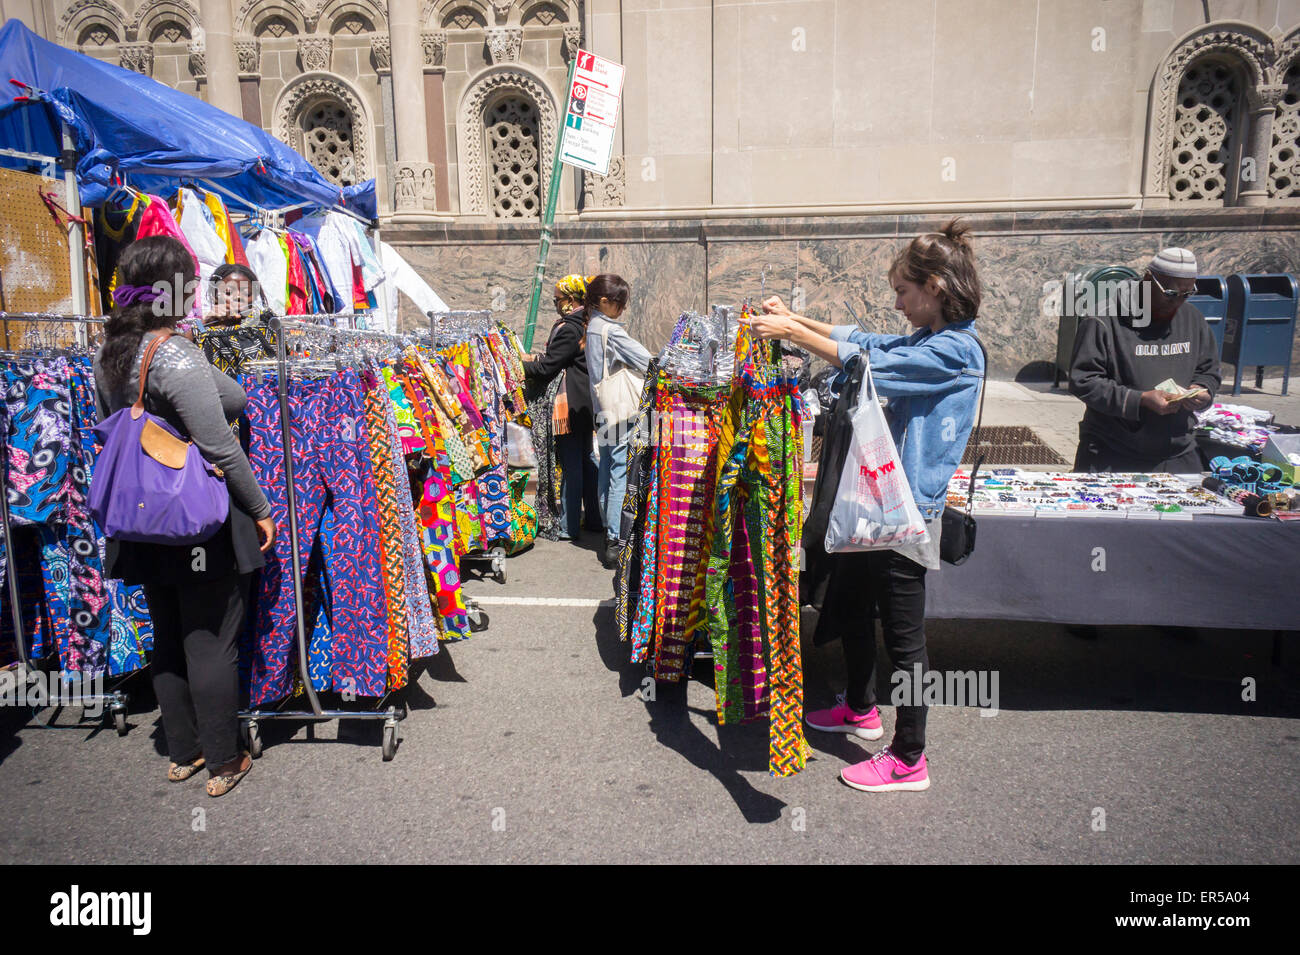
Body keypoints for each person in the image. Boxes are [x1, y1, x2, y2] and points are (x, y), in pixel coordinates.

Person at [741, 218, 985, 793]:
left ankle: (909, 758)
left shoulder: (956, 351)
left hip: (905, 512)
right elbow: (866, 340)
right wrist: (795, 320)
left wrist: (793, 335)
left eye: (904, 291)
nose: (897, 303)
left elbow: (867, 362)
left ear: (937, 288)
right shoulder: (930, 339)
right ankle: (860, 707)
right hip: (876, 503)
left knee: (905, 640)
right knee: (853, 605)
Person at [94, 236, 276, 798]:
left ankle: (183, 752)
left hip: (140, 516)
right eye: (190, 285)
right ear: (171, 291)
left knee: (167, 634)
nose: (198, 295)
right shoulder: (172, 353)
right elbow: (222, 438)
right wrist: (261, 508)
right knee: (209, 638)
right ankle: (224, 760)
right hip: (191, 513)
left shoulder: (110, 352)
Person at [1069, 247, 1220, 473]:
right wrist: (1140, 400)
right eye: (1171, 293)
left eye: (1187, 294)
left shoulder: (1193, 319)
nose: (1178, 302)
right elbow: (1084, 381)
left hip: (1177, 450)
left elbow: (1208, 370)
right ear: (1148, 279)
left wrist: (1201, 390)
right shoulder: (1103, 319)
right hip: (1113, 451)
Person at [524, 275, 602, 542]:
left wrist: (517, 365)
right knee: (585, 459)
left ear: (571, 300)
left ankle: (569, 526)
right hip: (584, 401)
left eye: (557, 300)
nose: (556, 304)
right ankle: (594, 518)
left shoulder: (569, 328)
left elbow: (547, 368)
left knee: (572, 464)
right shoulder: (586, 322)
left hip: (569, 404)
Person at [584, 274, 652, 569]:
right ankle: (616, 538)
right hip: (620, 408)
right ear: (603, 302)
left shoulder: (592, 328)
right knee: (619, 471)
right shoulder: (610, 331)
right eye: (619, 303)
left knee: (608, 468)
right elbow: (648, 361)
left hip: (602, 406)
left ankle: (607, 530)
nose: (622, 309)